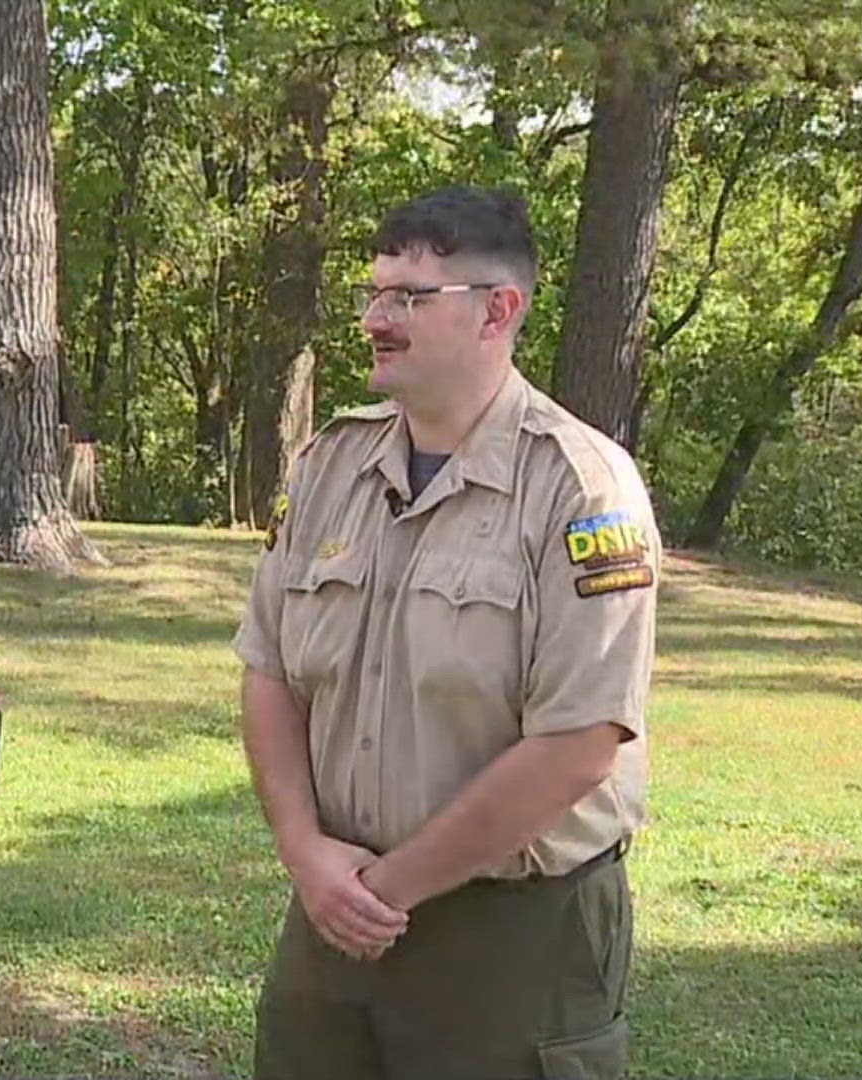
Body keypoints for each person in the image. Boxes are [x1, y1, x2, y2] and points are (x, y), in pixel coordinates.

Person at [233, 185, 656, 1080]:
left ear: (499, 311)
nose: (376, 320)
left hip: (512, 933)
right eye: (375, 295)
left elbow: (580, 743)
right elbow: (268, 668)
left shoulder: (581, 487)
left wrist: (388, 890)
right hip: (331, 910)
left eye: (410, 299)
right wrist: (304, 853)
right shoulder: (331, 464)